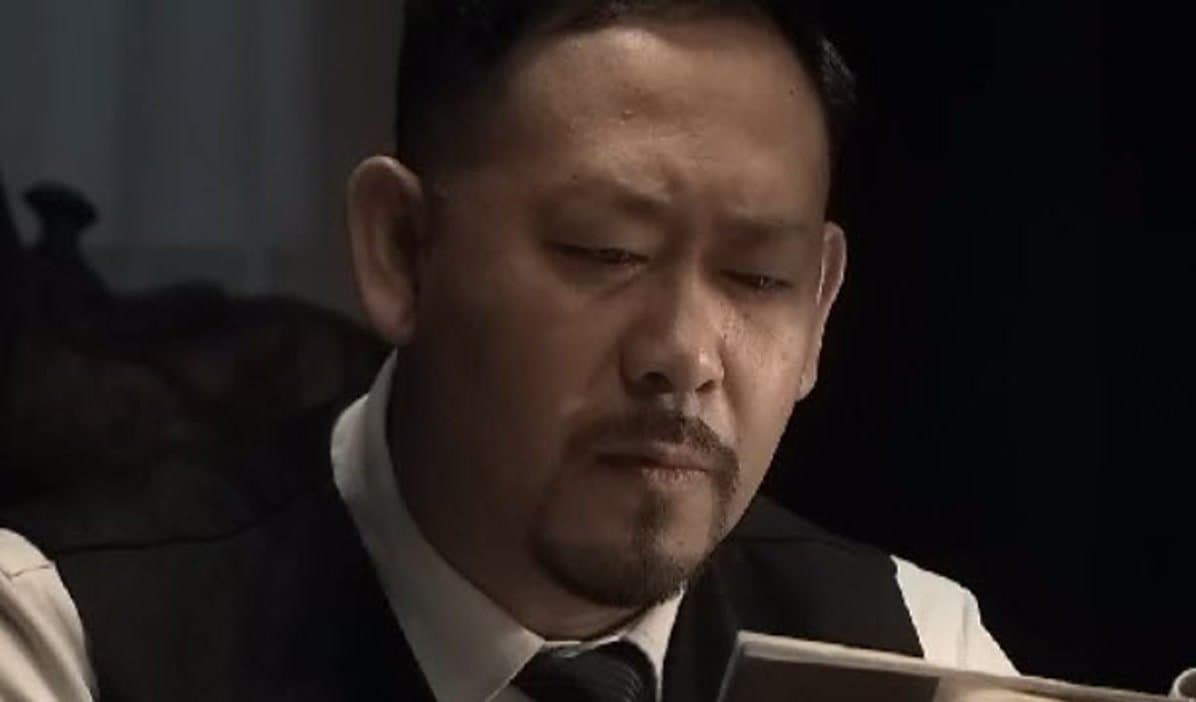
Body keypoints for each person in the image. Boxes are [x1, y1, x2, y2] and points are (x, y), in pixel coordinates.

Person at [0, 2, 1015, 700]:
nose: (683, 355)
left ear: (821, 310)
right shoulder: (70, 640)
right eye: (604, 252)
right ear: (401, 249)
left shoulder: (915, 653)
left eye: (757, 278)